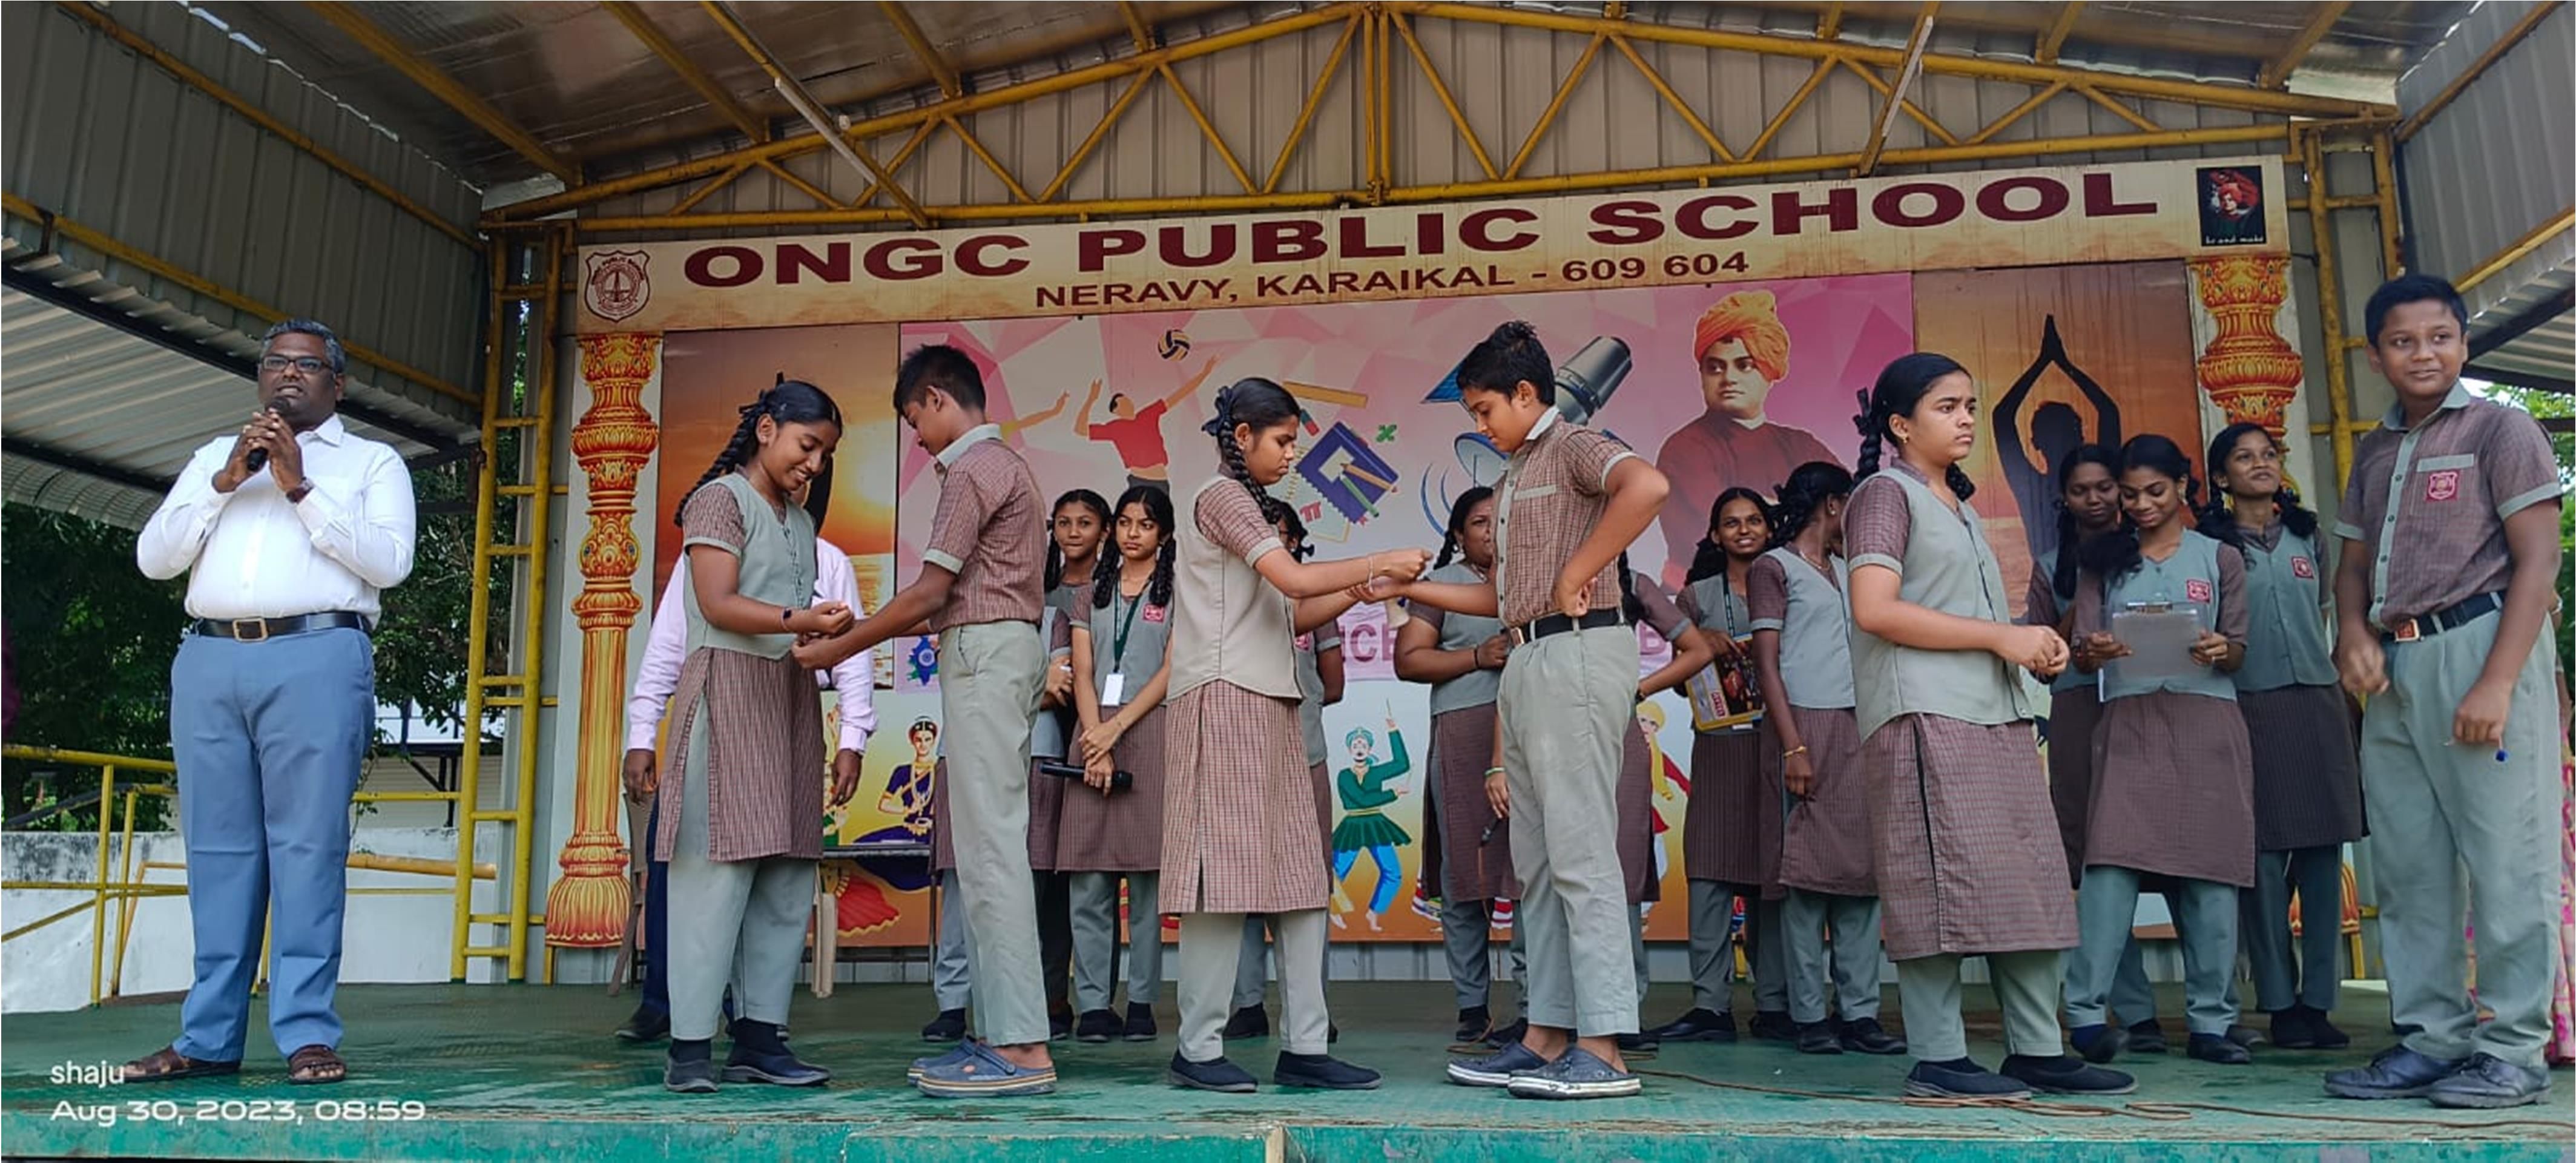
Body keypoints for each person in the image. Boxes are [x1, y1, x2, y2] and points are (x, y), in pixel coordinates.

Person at [124, 320, 416, 1087]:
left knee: (306, 851)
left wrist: (297, 485)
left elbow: (389, 563)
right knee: (218, 853)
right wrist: (226, 482)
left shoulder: (371, 462)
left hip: (317, 652)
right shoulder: (213, 460)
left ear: (337, 383)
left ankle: (306, 1032)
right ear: (260, 377)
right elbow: (154, 560)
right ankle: (209, 1035)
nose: (289, 376)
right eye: (276, 364)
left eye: (308, 366)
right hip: (212, 656)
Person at [1842, 352, 2129, 1099]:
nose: (1966, 418)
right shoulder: (1882, 493)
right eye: (1946, 407)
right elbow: (1873, 610)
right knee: (1933, 883)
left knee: (2023, 879)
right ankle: (1938, 1055)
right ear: (1900, 425)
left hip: (1993, 713)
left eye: (1971, 404)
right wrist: (2003, 637)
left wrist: (2027, 646)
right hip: (1922, 715)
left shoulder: (1959, 503)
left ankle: (2036, 1046)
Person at [1400, 321, 1672, 1101]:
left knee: (1582, 851)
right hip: (1526, 652)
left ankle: (1604, 1043)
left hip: (1580, 648)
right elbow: (1499, 595)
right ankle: (1547, 1033)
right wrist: (1407, 589)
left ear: (1528, 395)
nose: (1478, 427)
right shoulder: (1518, 469)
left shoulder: (1575, 443)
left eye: (1485, 410)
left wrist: (1580, 569)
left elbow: (1647, 487)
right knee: (1540, 860)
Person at [2324, 275, 2562, 1110]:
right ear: (2374, 354)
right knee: (2408, 864)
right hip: (2391, 668)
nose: (2420, 353)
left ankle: (2513, 1048)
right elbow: (2350, 565)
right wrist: (2350, 634)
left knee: (2505, 859)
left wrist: (2496, 680)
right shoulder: (2375, 448)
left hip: (2479, 651)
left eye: (2437, 337)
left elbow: (2537, 561)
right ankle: (2430, 1038)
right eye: (2401, 341)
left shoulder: (2501, 429)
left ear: (2462, 344)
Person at [797, 344, 1057, 1098]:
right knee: (982, 849)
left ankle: (1020, 1046)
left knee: (988, 853)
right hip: (996, 651)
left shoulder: (973, 468)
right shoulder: (1006, 465)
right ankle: (999, 1032)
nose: (917, 438)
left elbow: (927, 595)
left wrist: (840, 644)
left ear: (939, 399)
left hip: (983, 651)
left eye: (915, 420)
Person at [1161, 377, 1405, 1093]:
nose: (1292, 453)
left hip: (1271, 700)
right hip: (1223, 696)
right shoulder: (1220, 498)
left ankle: (1305, 1043)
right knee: (1223, 883)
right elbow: (1292, 582)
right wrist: (1377, 563)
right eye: (1283, 439)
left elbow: (1287, 614)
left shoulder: (1253, 506)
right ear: (1242, 437)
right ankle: (1197, 1048)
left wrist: (1362, 592)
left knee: (1300, 876)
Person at [627, 381, 851, 1092]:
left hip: (788, 698)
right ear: (765, 429)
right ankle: (690, 1048)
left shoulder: (801, 522)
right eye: (806, 445)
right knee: (713, 875)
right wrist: (802, 622)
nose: (814, 463)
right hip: (726, 691)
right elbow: (718, 604)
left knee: (786, 875)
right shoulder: (719, 499)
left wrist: (822, 642)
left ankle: (760, 1037)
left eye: (825, 453)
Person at [2062, 434, 2256, 1069]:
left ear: (2182, 487)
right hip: (2129, 719)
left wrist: (2215, 649)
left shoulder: (2220, 556)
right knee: (2109, 867)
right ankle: (2086, 1013)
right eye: (2130, 494)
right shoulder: (2103, 560)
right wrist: (2098, 648)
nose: (2141, 505)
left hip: (2207, 721)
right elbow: (2080, 648)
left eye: (2155, 491)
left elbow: (2238, 647)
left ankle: (2211, 1021)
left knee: (2211, 872)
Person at [2201, 422, 2365, 1051]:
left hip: (2318, 703)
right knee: (2262, 861)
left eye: (2268, 454)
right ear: (2221, 477)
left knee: (2324, 855)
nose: (2260, 464)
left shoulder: (2308, 535)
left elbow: (2328, 608)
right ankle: (2277, 1000)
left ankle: (2319, 1002)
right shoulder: (2209, 545)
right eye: (2243, 458)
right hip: (2249, 707)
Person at [1750, 461, 1903, 1058]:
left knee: (1860, 876)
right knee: (1806, 877)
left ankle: (1861, 1013)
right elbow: (1766, 664)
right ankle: (1808, 1013)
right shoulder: (1775, 566)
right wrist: (1792, 745)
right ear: (1835, 505)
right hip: (1804, 725)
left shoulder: (1848, 570)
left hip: (1858, 723)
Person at [2023, 444, 2166, 1055]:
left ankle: (2214, 1014)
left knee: (2159, 846)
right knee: (2095, 859)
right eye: (2081, 490)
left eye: (2106, 487)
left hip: (2148, 707)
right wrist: (2080, 600)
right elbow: (2041, 667)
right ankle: (2131, 1009)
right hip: (2081, 710)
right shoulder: (2051, 564)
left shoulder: (2156, 552)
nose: (2096, 499)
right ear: (2064, 499)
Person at [1647, 489, 1792, 1046]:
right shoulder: (1694, 596)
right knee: (1709, 871)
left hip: (1778, 745)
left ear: (1769, 527)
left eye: (1754, 520)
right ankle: (1709, 1006)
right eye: (1731, 523)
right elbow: (1683, 676)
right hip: (1719, 744)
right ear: (1714, 535)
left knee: (1771, 876)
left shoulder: (1787, 581)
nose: (1744, 530)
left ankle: (1775, 1003)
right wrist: (1701, 645)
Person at [1394, 487, 1526, 1045]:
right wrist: (1477, 656)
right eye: (1479, 522)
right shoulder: (1440, 584)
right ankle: (1472, 1004)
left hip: (1526, 733)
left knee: (1526, 874)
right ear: (1458, 532)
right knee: (1466, 879)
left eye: (1501, 520)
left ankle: (1532, 1002)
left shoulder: (1534, 573)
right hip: (1463, 733)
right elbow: (1408, 659)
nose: (1492, 530)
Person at [1064, 486, 1180, 1043]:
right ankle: (1092, 1005)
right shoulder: (1090, 592)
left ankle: (1140, 1002)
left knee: (1148, 881)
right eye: (1127, 523)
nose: (1134, 533)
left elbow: (1168, 673)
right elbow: (1082, 673)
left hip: (1149, 731)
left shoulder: (1178, 591)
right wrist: (1096, 737)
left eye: (1146, 524)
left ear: (1165, 535)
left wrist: (1116, 728)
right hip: (1092, 735)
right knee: (1088, 878)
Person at [1228, 513, 1345, 1041]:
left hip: (1305, 752)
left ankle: (1309, 1010)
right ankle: (1245, 1002)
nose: (1269, 541)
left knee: (1307, 882)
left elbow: (1334, 682)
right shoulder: (1231, 597)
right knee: (1240, 881)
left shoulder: (1316, 601)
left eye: (1279, 532)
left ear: (1295, 541)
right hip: (1245, 753)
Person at [1653, 290, 1840, 584]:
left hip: (1797, 591)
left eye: (1744, 366)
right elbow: (1731, 526)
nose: (1728, 379)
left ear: (1768, 372)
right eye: (1715, 368)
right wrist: (1803, 517)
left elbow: (1847, 510)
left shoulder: (1801, 445)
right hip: (1701, 601)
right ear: (1701, 376)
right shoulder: (1684, 448)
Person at [1617, 562, 1719, 1051]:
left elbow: (1696, 649)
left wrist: (1637, 689)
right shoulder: (1538, 575)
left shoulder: (1630, 582)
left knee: (1619, 876)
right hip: (1543, 733)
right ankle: (1543, 1016)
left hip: (1615, 737)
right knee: (1544, 872)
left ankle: (1620, 1013)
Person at [1033, 489, 1112, 1039]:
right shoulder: (1039, 593)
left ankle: (1098, 1003)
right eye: (1063, 522)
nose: (1073, 532)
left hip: (1099, 735)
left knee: (1085, 877)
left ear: (1104, 529)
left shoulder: (1114, 591)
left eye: (1085, 522)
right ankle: (1048, 999)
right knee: (1043, 878)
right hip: (1042, 740)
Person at [1992, 315, 2123, 567]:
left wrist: (2058, 362)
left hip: (2105, 589)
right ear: (2037, 442)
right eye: (2054, 433)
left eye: (2065, 431)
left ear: (2081, 437)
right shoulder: (2031, 488)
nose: (2060, 441)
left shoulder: (2100, 481)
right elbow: (2002, 418)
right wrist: (2049, 362)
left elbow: (2109, 412)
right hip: (2052, 592)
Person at [1076, 361, 1219, 493]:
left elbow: (1179, 395)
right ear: (1116, 411)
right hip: (1138, 482)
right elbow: (1080, 430)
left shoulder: (1147, 415)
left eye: (1128, 401)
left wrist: (1204, 373)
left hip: (1161, 482)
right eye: (1124, 403)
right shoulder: (1115, 428)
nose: (1129, 404)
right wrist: (1091, 399)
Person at [1329, 719, 1414, 933]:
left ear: (1369, 749)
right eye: (1356, 745)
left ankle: (1374, 912)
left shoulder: (1376, 772)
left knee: (1393, 872)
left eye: (1363, 745)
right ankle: (1333, 909)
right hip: (1353, 826)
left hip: (1376, 825)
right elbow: (1362, 799)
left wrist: (1393, 731)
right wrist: (1393, 793)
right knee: (1336, 872)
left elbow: (1402, 764)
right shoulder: (1344, 776)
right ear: (1350, 749)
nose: (1359, 749)